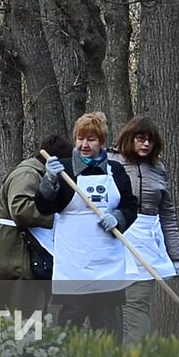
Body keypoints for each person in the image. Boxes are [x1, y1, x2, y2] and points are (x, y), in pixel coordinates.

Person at [36, 112, 138, 336]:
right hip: (74, 265)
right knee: (69, 329)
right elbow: (43, 207)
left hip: (107, 266)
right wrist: (48, 181)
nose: (84, 145)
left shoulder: (117, 172)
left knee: (109, 330)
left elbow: (131, 206)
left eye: (91, 139)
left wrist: (118, 218)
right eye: (80, 138)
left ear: (101, 142)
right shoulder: (64, 171)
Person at [0, 136, 68, 315]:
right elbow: (21, 210)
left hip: (10, 263)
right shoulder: (27, 174)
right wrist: (58, 220)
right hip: (7, 265)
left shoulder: (32, 173)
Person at [114, 116, 179, 342]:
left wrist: (176, 256)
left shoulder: (158, 169)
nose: (145, 144)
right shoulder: (109, 163)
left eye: (150, 141)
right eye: (140, 138)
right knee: (108, 310)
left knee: (136, 303)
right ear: (129, 138)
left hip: (145, 246)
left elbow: (167, 215)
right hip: (114, 243)